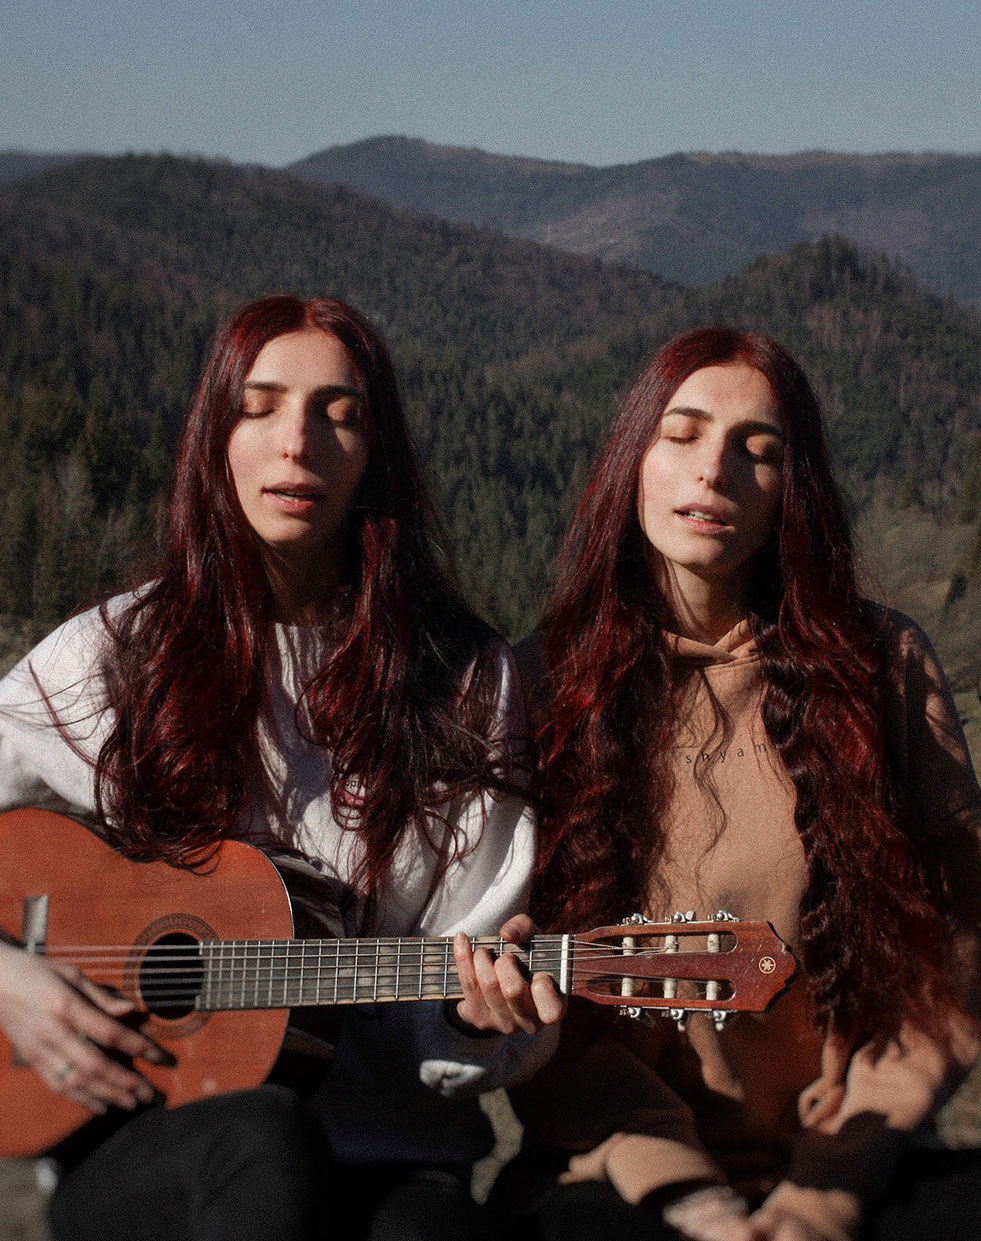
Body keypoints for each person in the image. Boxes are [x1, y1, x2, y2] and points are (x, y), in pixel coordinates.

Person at [0, 294, 562, 1241]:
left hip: (391, 1153)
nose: (297, 443)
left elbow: (467, 967)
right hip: (153, 1144)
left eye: (338, 415)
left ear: (375, 452)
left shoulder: (462, 680)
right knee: (265, 1139)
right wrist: (9, 978)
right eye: (258, 408)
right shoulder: (115, 652)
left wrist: (470, 1021)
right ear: (213, 438)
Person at [496, 327, 981, 1241]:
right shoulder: (537, 684)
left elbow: (958, 946)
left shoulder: (881, 665)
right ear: (632, 461)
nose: (712, 469)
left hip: (851, 1162)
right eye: (681, 433)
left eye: (757, 450)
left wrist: (825, 1190)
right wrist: (691, 1197)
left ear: (792, 493)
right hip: (621, 1175)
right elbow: (533, 1004)